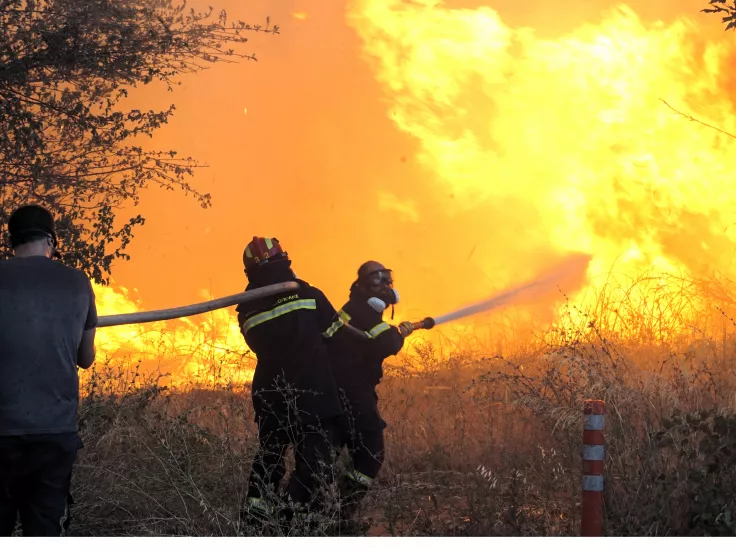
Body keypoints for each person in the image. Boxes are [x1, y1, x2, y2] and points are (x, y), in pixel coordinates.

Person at [236, 236, 350, 529]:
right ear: (285, 260)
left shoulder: (246, 308)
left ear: (250, 272)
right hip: (313, 392)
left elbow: (262, 343)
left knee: (270, 456)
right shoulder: (309, 294)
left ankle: (254, 521)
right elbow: (338, 339)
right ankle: (290, 519)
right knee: (313, 463)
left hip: (271, 392)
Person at [0, 205, 97, 537]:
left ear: (10, 241)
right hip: (54, 435)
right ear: (52, 242)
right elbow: (85, 358)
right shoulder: (78, 282)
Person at [326, 261, 414, 527]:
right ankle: (342, 514)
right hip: (351, 391)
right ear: (363, 286)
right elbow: (386, 342)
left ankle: (322, 514)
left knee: (327, 455)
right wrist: (400, 332)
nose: (386, 287)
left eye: (387, 280)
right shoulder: (360, 310)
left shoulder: (353, 309)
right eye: (377, 281)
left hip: (336, 389)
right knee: (370, 451)